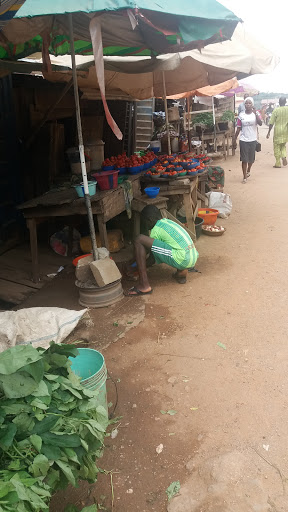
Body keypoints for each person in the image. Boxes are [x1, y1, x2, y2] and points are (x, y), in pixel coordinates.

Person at [127, 205, 199, 296]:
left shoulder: (155, 231)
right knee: (173, 246)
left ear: (149, 220)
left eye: (144, 222)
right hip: (193, 256)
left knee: (139, 239)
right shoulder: (168, 222)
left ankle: (144, 285)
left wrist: (135, 267)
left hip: (182, 259)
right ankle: (181, 274)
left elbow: (153, 258)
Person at [234, 97, 262, 183]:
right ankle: (244, 177)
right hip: (243, 140)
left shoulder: (256, 113)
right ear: (244, 105)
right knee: (244, 159)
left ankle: (248, 170)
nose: (248, 105)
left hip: (253, 140)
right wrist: (234, 139)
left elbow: (260, 123)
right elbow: (238, 128)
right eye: (246, 103)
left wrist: (256, 114)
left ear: (252, 104)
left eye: (250, 103)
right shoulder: (241, 115)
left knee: (251, 159)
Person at [266, 96, 288, 168]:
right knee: (283, 145)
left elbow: (271, 122)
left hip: (277, 131)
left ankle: (278, 163)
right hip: (285, 131)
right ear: (285, 102)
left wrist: (269, 132)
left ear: (279, 102)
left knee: (276, 146)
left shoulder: (276, 110)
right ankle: (284, 156)